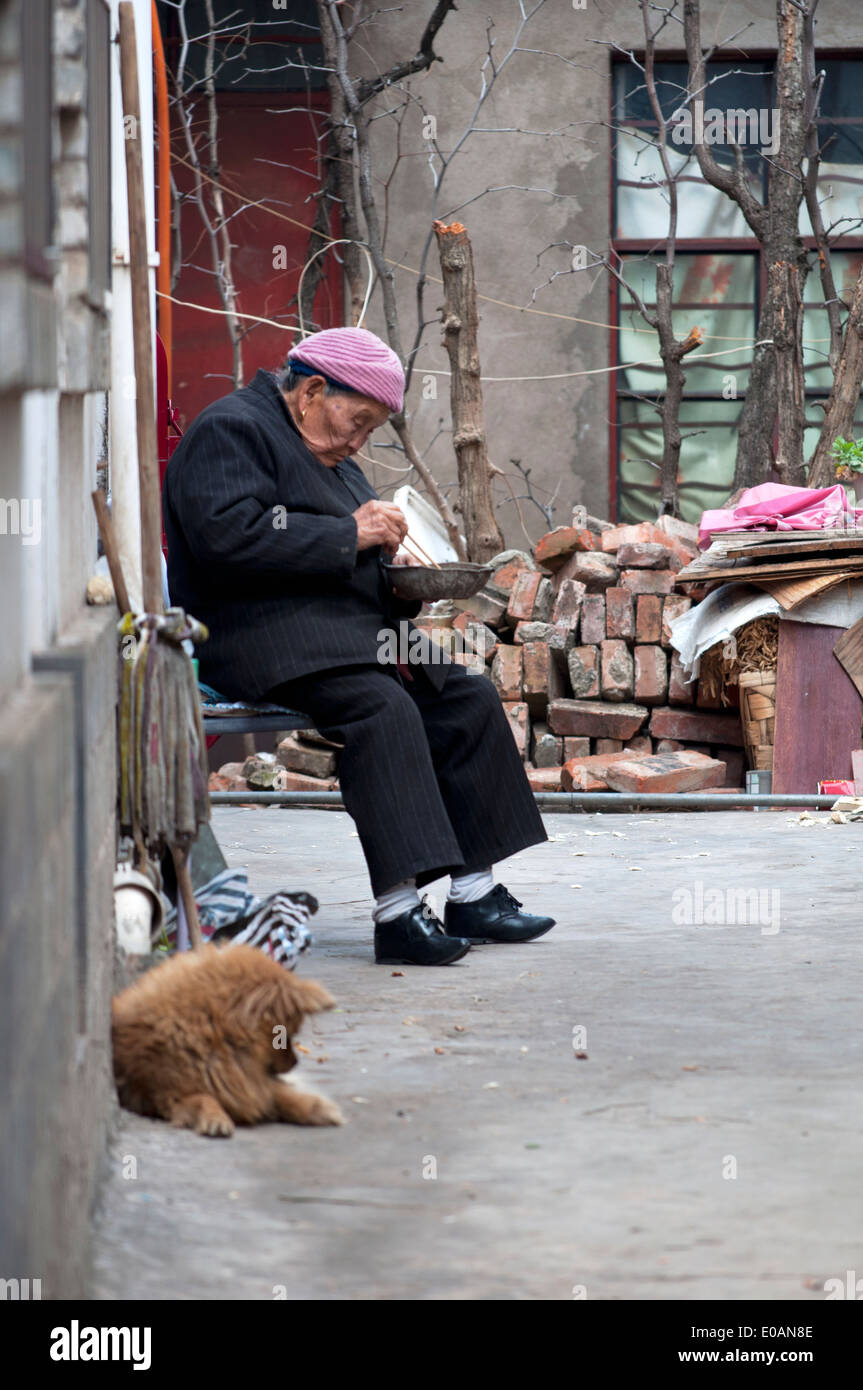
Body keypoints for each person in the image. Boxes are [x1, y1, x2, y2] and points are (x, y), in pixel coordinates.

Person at [163, 326, 555, 965]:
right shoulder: (232, 430)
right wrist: (349, 533)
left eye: (371, 430)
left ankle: (475, 894)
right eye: (358, 420)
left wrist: (402, 581)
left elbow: (355, 551)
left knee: (467, 695)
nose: (358, 440)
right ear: (313, 390)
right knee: (383, 709)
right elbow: (225, 539)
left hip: (351, 633)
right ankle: (398, 914)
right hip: (257, 634)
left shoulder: (333, 459)